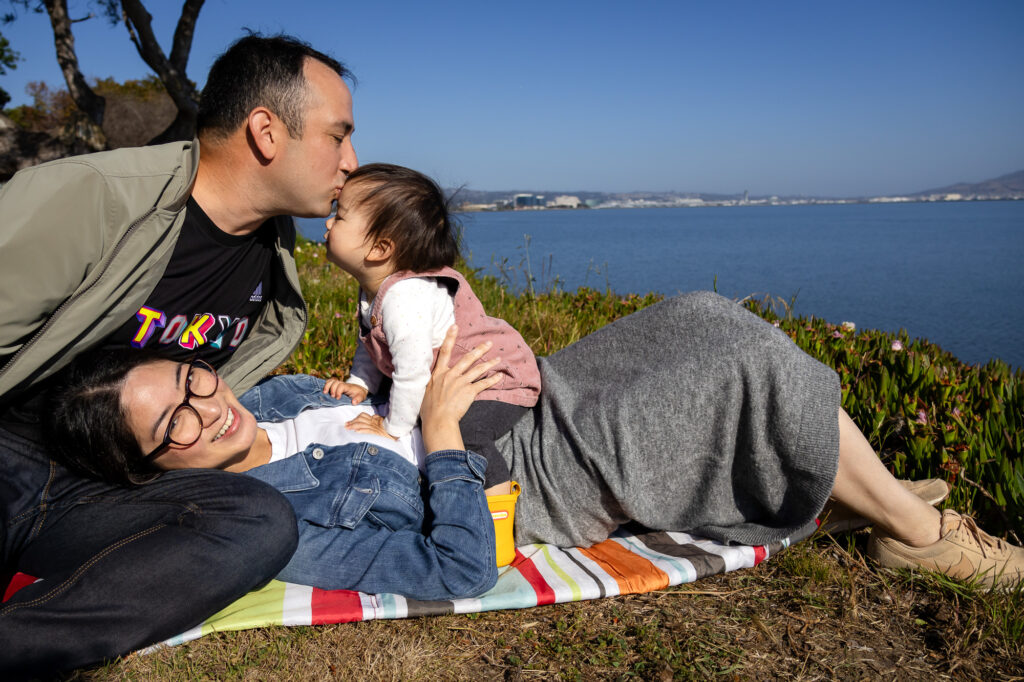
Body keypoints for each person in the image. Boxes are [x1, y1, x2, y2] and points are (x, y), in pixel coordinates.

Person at [45, 295, 1024, 601]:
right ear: (148, 468)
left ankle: (862, 489)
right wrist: (435, 435)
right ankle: (915, 529)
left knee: (700, 314)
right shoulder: (273, 516)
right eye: (170, 421)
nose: (203, 406)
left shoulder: (274, 394)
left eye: (188, 379)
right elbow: (466, 566)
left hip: (536, 397)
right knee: (739, 365)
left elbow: (364, 385)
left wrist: (388, 364)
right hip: (530, 473)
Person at [0, 34, 357, 676]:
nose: (351, 161)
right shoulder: (94, 198)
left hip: (115, 485)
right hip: (11, 451)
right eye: (338, 136)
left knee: (259, 522)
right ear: (266, 132)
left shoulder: (272, 259)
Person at [320, 163, 541, 565]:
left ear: (380, 248)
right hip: (450, 378)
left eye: (339, 214)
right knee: (426, 424)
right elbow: (370, 341)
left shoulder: (406, 298)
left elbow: (413, 371)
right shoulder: (375, 291)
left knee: (464, 436)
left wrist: (393, 428)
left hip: (495, 381)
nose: (328, 221)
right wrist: (360, 380)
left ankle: (497, 523)